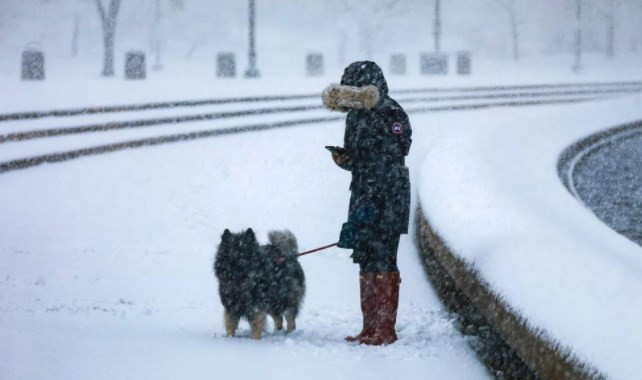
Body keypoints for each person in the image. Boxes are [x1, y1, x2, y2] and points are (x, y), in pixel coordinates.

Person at [326, 61, 412, 345]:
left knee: (384, 258)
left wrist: (366, 170)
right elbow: (360, 158)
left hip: (389, 196)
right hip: (363, 193)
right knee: (365, 259)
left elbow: (396, 152)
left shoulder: (391, 113)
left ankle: (385, 329)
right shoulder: (354, 116)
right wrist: (345, 160)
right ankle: (369, 327)